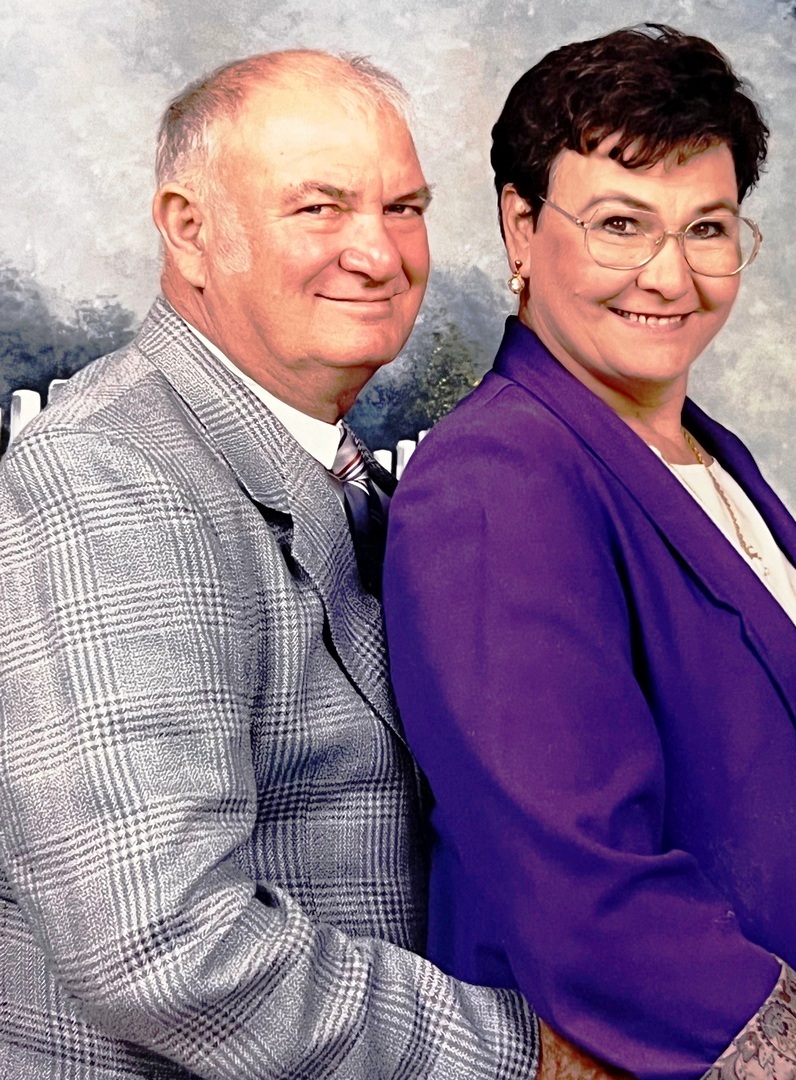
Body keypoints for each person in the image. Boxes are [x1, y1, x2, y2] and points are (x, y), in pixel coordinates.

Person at [0, 48, 618, 1080]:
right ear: (189, 230)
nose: (377, 254)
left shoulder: (337, 468)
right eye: (320, 209)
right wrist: (533, 1058)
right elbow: (162, 947)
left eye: (403, 208)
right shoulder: (111, 475)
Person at [384, 24, 796, 1080]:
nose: (670, 274)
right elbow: (583, 896)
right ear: (520, 227)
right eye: (618, 224)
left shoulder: (709, 459)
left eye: (707, 228)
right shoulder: (496, 482)